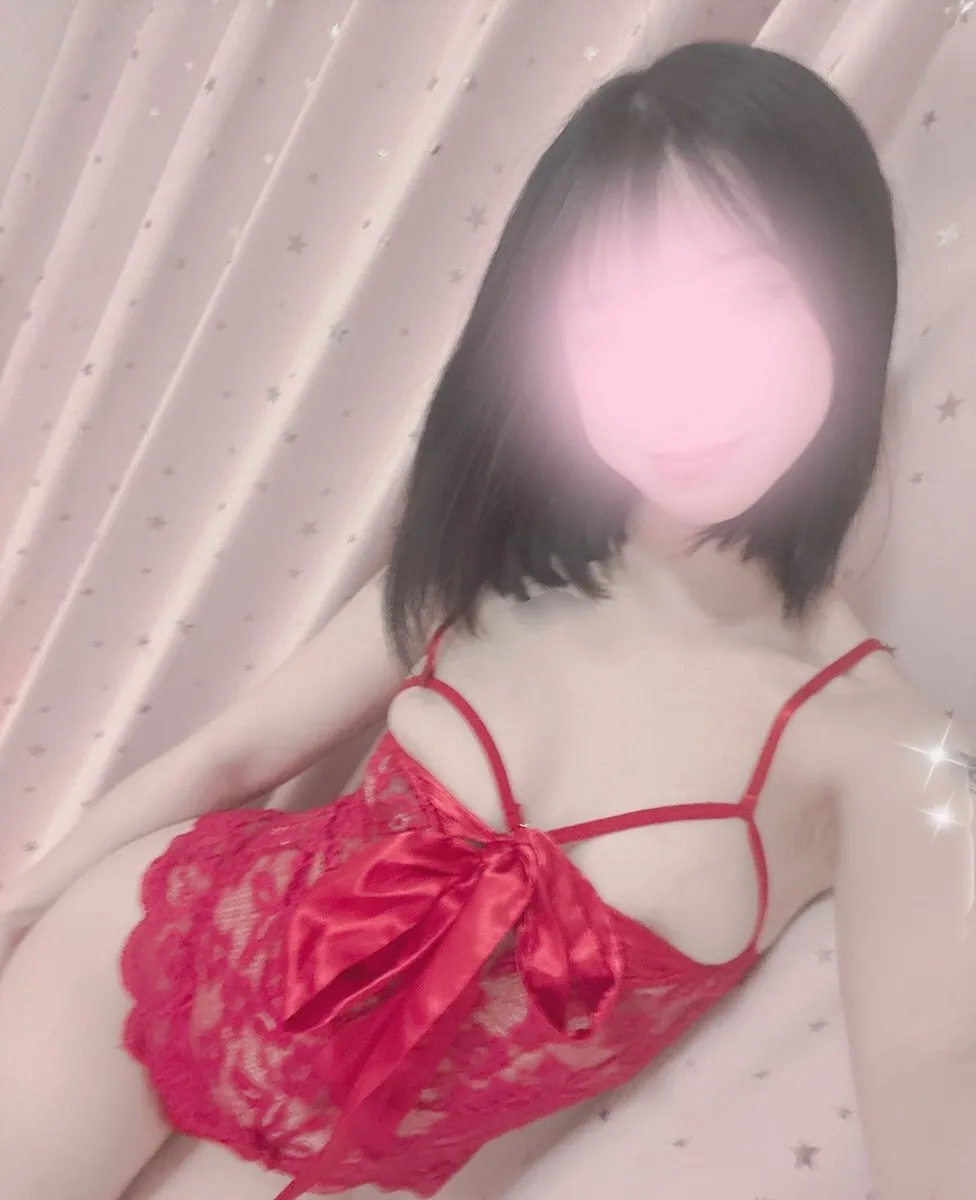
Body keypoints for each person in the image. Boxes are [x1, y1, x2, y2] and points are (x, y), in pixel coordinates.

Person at [0, 39, 974, 1200]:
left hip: (364, 1166)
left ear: (850, 294)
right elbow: (233, 756)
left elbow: (933, 1104)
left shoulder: (889, 757)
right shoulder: (492, 549)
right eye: (610, 323)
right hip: (149, 959)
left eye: (747, 295)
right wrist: (14, 910)